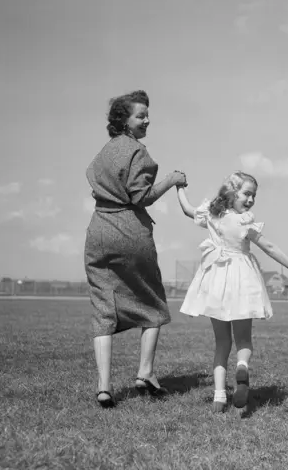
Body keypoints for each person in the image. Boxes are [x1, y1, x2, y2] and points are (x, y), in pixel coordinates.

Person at [85, 90, 187, 408]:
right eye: (141, 115)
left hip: (98, 230)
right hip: (130, 232)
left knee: (103, 309)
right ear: (124, 121)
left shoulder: (103, 153)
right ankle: (144, 374)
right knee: (152, 304)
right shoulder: (139, 153)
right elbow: (140, 197)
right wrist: (170, 180)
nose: (147, 120)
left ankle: (104, 387)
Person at [176, 172, 288, 412]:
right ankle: (242, 366)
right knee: (244, 339)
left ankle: (219, 397)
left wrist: (179, 188)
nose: (251, 200)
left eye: (253, 195)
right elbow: (268, 246)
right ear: (232, 191)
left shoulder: (212, 213)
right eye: (247, 193)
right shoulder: (244, 221)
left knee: (221, 343)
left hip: (216, 281)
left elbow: (187, 210)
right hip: (241, 282)